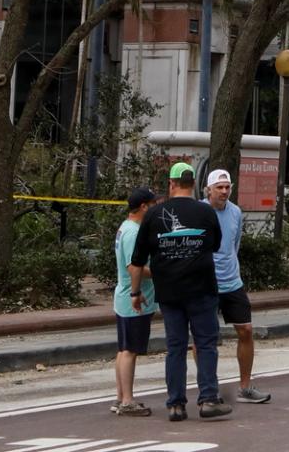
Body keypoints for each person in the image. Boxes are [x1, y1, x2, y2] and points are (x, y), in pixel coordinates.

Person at [129, 163, 229, 422]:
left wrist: (135, 292)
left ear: (171, 184)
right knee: (205, 344)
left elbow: (138, 260)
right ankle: (208, 399)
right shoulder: (205, 213)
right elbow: (215, 244)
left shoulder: (153, 215)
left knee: (175, 347)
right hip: (202, 289)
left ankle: (175, 404)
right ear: (194, 184)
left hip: (169, 291)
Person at [204, 168, 269, 403]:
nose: (224, 191)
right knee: (205, 338)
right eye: (219, 188)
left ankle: (245, 386)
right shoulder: (201, 211)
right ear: (208, 190)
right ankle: (208, 389)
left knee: (246, 331)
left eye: (227, 187)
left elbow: (235, 244)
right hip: (207, 284)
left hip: (232, 282)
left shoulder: (235, 212)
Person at [110, 186, 159, 416]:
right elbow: (134, 267)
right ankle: (127, 400)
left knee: (123, 349)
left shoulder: (126, 228)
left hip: (124, 298)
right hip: (134, 299)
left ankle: (121, 398)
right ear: (143, 207)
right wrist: (160, 271)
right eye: (153, 204)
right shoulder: (133, 233)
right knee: (130, 350)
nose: (156, 208)